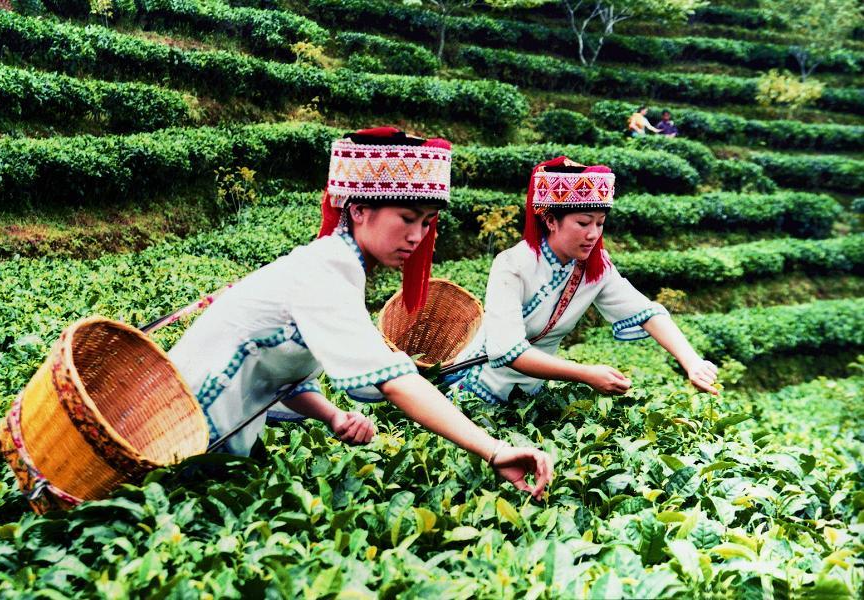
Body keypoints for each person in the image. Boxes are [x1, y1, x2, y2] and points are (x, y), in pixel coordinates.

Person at [169, 127, 553, 498]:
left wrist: (332, 417)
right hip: (184, 435)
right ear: (359, 209)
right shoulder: (325, 275)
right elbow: (395, 382)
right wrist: (494, 450)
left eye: (426, 223)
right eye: (407, 217)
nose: (417, 236)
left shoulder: (335, 268)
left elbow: (281, 375)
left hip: (210, 433)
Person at [446, 157, 720, 405]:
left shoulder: (596, 266)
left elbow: (646, 311)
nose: (593, 234)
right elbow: (507, 351)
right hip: (475, 390)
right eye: (583, 223)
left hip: (527, 398)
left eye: (600, 223)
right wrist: (586, 374)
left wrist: (691, 361)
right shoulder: (512, 265)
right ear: (551, 220)